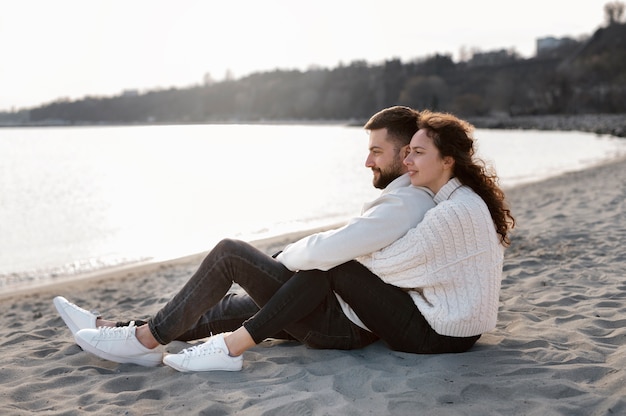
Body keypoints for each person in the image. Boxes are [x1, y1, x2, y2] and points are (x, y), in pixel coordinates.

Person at [54, 105, 437, 370]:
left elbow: (330, 250)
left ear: (405, 152)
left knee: (230, 254)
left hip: (340, 323)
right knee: (223, 312)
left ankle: (145, 339)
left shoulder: (402, 204)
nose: (367, 161)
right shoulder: (407, 198)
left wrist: (283, 258)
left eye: (375, 151)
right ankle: (118, 330)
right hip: (341, 316)